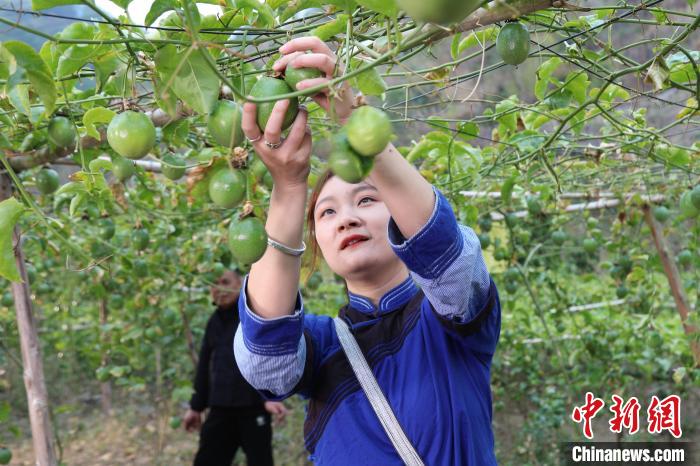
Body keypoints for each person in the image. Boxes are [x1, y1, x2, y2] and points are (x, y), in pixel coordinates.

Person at [234, 37, 501, 465]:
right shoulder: (322, 347)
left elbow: (447, 256)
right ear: (316, 243)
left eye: (366, 200)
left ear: (396, 211)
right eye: (326, 213)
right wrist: (287, 189)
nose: (346, 219)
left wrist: (353, 116)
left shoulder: (451, 320)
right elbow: (266, 362)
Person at [184, 269, 289, 466]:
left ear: (240, 283)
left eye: (225, 281)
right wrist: (196, 406)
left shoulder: (254, 317)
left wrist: (269, 397)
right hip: (220, 409)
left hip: (253, 408)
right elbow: (205, 365)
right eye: (214, 283)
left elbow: (270, 358)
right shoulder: (214, 321)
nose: (219, 288)